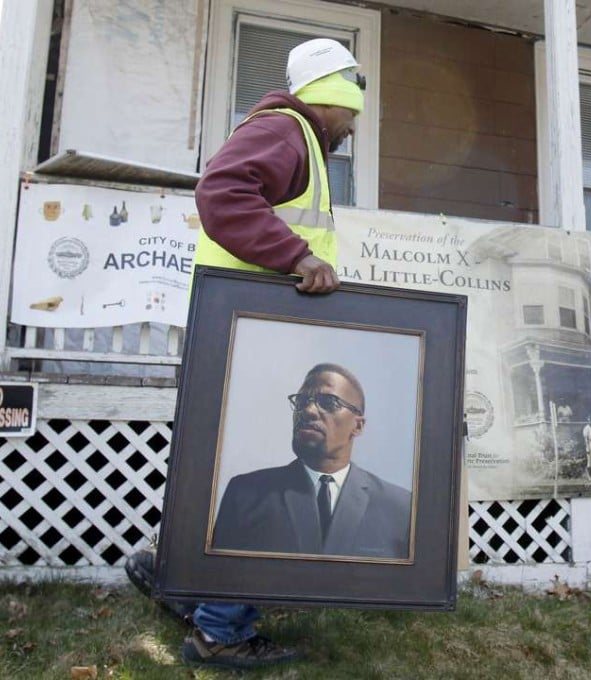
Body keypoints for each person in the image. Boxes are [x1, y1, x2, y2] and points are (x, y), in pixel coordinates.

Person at [123, 37, 366, 670]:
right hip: (250, 330)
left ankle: (183, 579)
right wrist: (298, 256)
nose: (353, 127)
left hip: (245, 326)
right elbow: (223, 192)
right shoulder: (288, 130)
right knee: (264, 469)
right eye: (352, 112)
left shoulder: (293, 138)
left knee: (221, 463)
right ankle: (220, 629)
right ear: (331, 95)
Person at [212, 362, 411, 558]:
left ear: (357, 426)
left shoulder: (400, 508)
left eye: (328, 402)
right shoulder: (246, 494)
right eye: (301, 401)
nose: (308, 410)